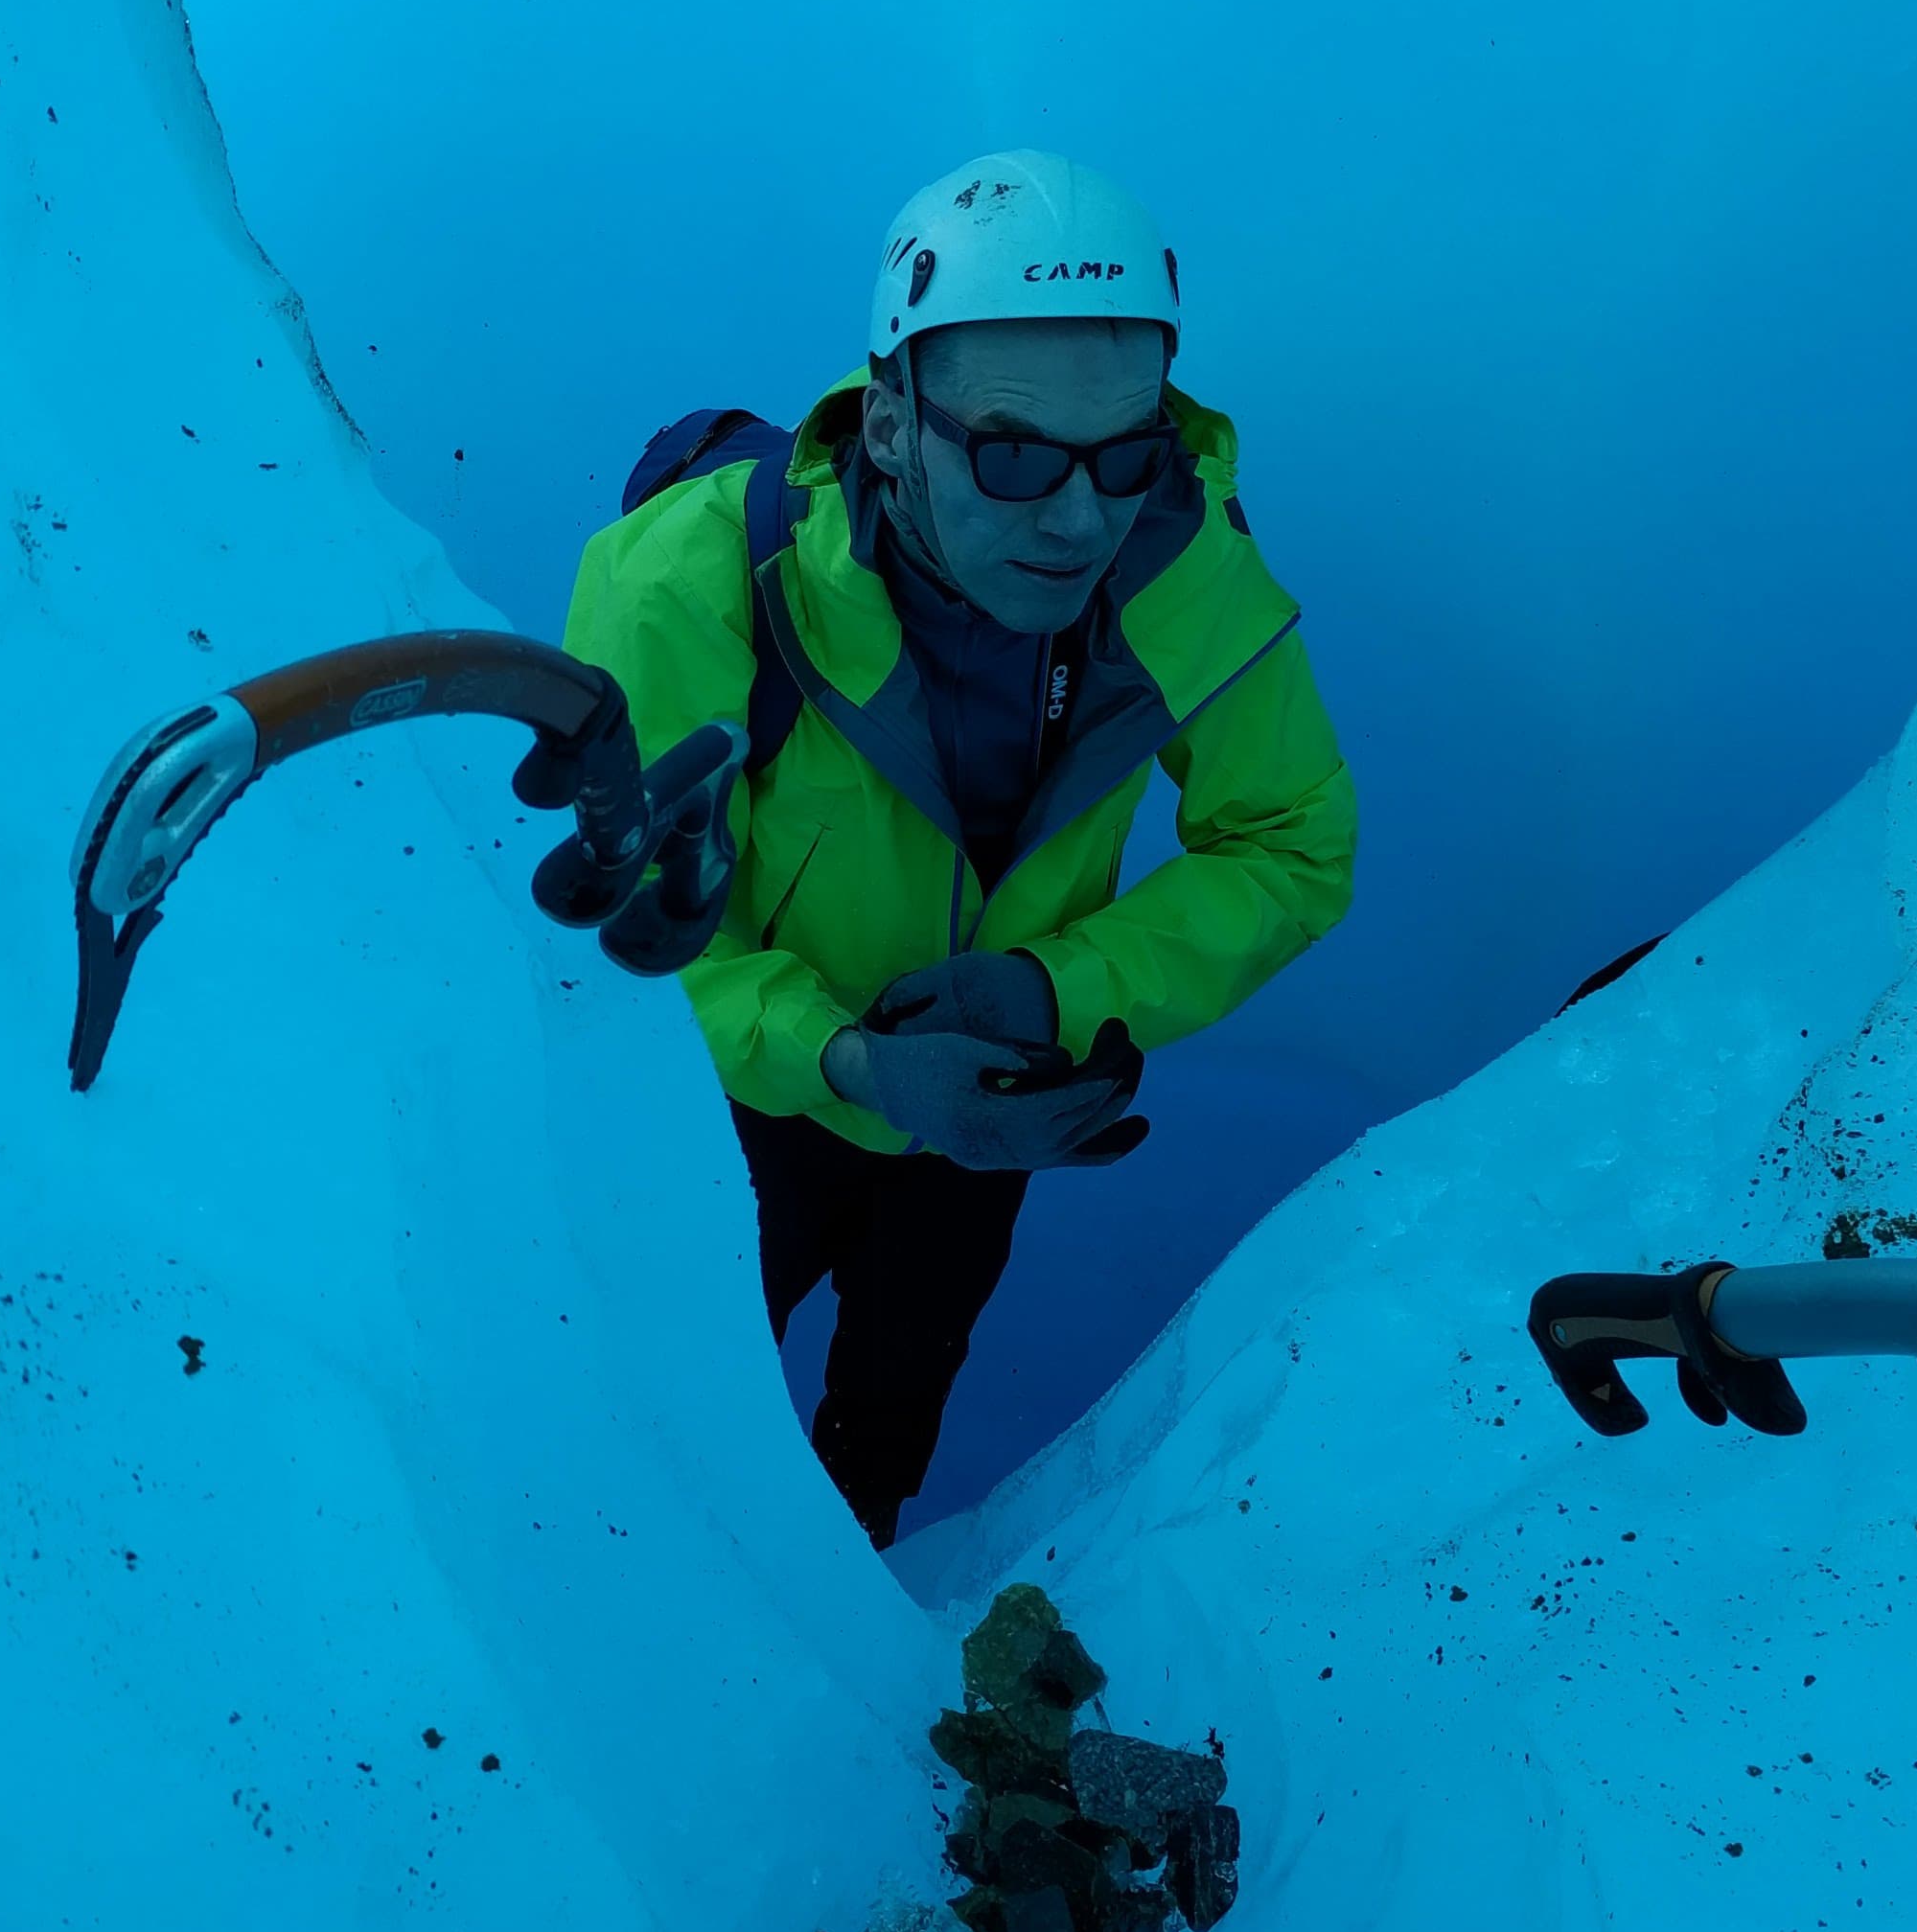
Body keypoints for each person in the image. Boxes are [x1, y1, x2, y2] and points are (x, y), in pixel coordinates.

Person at [565, 151, 1354, 1546]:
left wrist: (1054, 990)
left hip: (983, 1106)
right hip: (733, 1103)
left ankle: (851, 1633)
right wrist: (849, 1061)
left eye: (1128, 452)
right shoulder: (683, 582)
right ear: (886, 424)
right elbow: (606, 953)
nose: (1078, 517)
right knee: (661, 1407)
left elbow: (1293, 844)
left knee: (893, 1397)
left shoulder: (1178, 566)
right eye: (1010, 451)